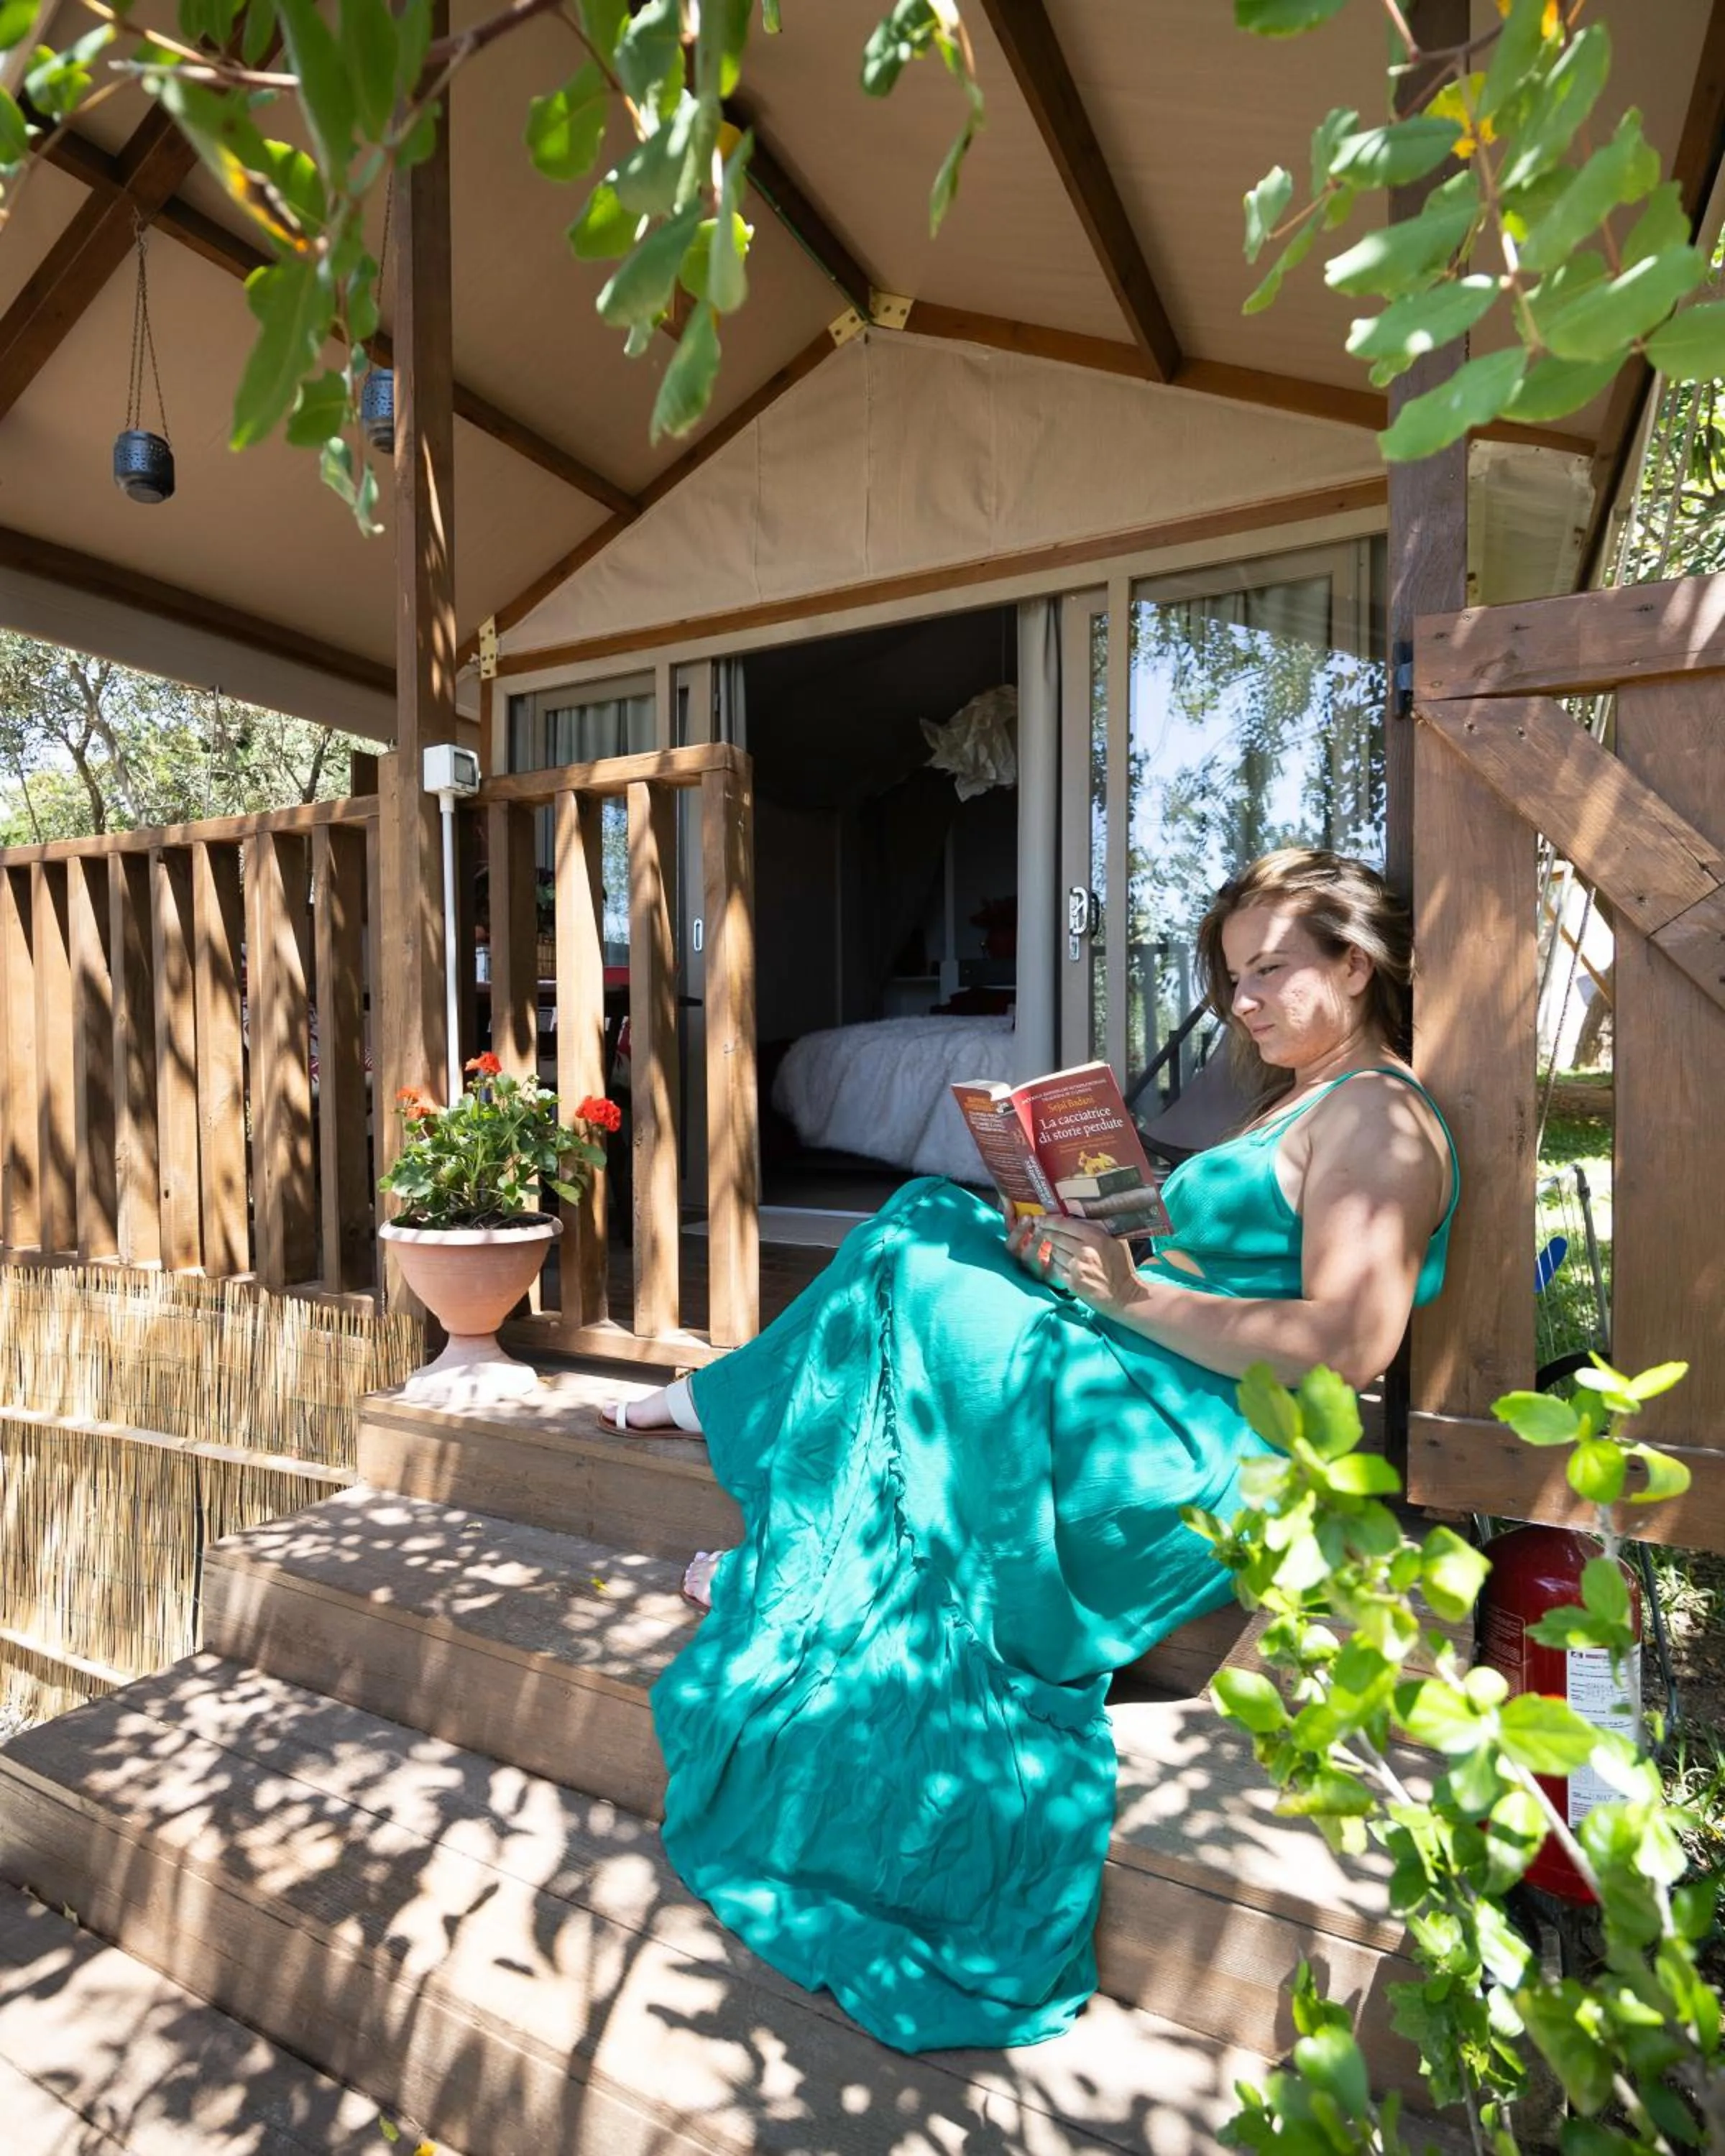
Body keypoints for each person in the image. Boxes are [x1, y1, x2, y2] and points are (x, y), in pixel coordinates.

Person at [603, 848, 1458, 2055]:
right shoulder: (1307, 1097)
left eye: (1271, 972)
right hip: (1156, 1363)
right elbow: (1210, 1264)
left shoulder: (1377, 1115)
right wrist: (1081, 1241)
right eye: (1234, 979)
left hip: (1201, 1436)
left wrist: (1128, 1299)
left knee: (921, 1274)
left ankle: (759, 1459)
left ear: (1356, 967)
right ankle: (768, 1458)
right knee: (934, 1215)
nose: (1246, 1002)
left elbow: (1348, 1348)